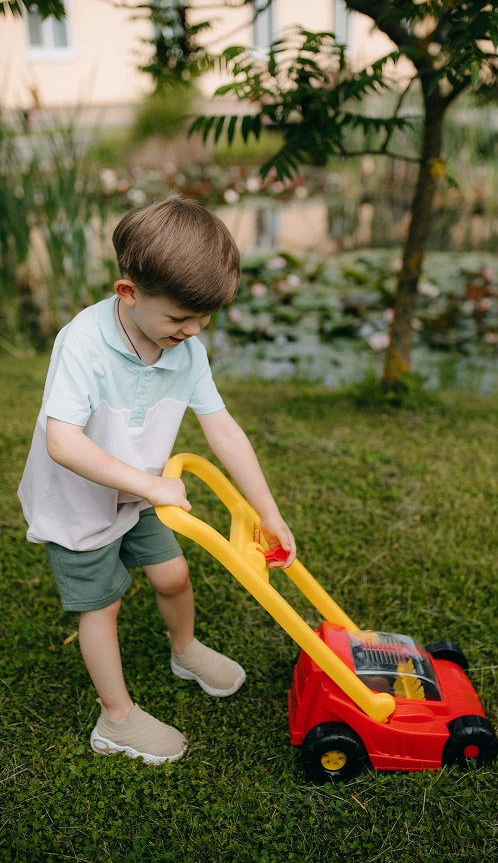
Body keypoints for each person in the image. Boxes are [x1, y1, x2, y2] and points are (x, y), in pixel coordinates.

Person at [18, 195, 296, 765]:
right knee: (103, 607)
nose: (193, 332)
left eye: (203, 320)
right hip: (80, 502)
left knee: (172, 575)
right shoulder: (83, 343)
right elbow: (63, 441)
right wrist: (152, 487)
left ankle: (185, 647)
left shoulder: (185, 348)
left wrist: (268, 511)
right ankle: (116, 720)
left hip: (142, 490)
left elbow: (223, 429)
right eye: (179, 319)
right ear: (128, 293)